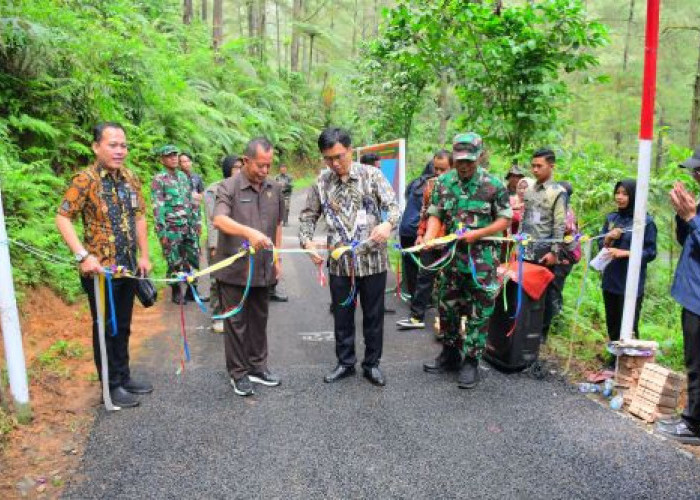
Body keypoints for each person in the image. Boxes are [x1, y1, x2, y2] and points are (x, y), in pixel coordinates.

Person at [55, 122, 152, 409]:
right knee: (105, 328)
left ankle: (124, 376)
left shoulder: (130, 178)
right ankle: (110, 386)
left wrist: (144, 256)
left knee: (123, 325)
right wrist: (83, 256)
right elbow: (63, 217)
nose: (119, 150)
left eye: (123, 145)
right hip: (100, 274)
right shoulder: (85, 180)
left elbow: (140, 218)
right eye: (112, 145)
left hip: (128, 268)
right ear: (96, 147)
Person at [300, 127, 400, 387]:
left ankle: (372, 364)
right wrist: (307, 241)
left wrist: (388, 225)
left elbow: (393, 208)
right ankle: (345, 363)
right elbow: (308, 216)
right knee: (342, 316)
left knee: (373, 316)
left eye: (340, 156)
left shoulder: (372, 176)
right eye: (328, 158)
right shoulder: (322, 182)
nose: (335, 163)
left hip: (373, 261)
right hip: (340, 264)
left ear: (351, 151)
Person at [422, 132, 511, 389]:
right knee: (447, 307)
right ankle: (450, 353)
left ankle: (471, 361)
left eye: (469, 161)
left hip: (482, 261)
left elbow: (504, 219)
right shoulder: (444, 183)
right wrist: (429, 237)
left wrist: (478, 234)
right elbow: (436, 213)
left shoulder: (494, 185)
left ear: (479, 156)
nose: (464, 166)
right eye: (460, 160)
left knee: (479, 312)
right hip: (451, 260)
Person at [212, 137, 284, 397]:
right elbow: (219, 219)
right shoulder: (228, 187)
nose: (265, 171)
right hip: (235, 271)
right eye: (260, 166)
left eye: (269, 166)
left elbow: (277, 226)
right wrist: (248, 232)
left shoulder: (274, 189)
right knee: (237, 322)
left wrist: (277, 259)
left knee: (259, 320)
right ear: (245, 161)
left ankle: (257, 367)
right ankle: (239, 373)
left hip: (263, 269)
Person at [657, 147, 700, 444]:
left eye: (699, 170)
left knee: (697, 364)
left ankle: (694, 425)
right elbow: (686, 241)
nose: (695, 174)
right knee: (693, 361)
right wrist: (683, 217)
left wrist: (693, 218)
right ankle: (691, 417)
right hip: (692, 294)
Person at [598, 179, 657, 349]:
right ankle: (614, 358)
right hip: (610, 279)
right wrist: (608, 238)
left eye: (625, 194)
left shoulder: (645, 222)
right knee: (613, 321)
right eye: (617, 193)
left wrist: (625, 253)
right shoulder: (611, 218)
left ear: (634, 196)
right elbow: (601, 246)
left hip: (630, 282)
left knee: (629, 324)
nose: (620, 197)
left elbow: (651, 252)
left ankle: (631, 362)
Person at [396, 150, 451, 330]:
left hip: (451, 243)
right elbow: (424, 212)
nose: (438, 173)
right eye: (436, 168)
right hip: (430, 240)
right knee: (424, 276)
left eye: (443, 169)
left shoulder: (460, 188)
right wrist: (420, 234)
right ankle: (416, 316)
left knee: (451, 281)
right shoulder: (430, 185)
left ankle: (451, 322)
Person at [521, 148, 567, 341]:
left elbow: (559, 224)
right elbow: (526, 217)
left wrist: (554, 252)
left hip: (545, 252)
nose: (535, 170)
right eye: (533, 166)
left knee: (545, 293)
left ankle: (541, 332)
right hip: (527, 248)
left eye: (539, 166)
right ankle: (525, 326)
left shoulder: (557, 192)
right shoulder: (530, 190)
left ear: (551, 166)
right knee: (526, 288)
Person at [151, 145, 202, 304]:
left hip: (188, 226)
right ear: (162, 159)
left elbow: (192, 200)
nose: (173, 158)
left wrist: (197, 221)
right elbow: (158, 207)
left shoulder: (183, 177)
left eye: (175, 155)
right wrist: (162, 233)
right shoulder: (159, 179)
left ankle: (191, 291)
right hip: (172, 229)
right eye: (169, 156)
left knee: (192, 258)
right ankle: (176, 291)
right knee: (174, 261)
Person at [204, 155, 240, 333]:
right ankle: (218, 316)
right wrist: (213, 245)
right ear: (227, 169)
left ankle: (234, 314)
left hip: (239, 242)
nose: (239, 170)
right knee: (217, 280)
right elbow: (212, 220)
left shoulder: (245, 188)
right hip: (219, 241)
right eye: (235, 167)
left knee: (238, 279)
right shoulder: (214, 190)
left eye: (241, 166)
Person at [398, 160, 435, 298]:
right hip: (418, 230)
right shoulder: (432, 185)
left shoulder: (415, 183)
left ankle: (414, 297)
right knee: (426, 266)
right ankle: (423, 300)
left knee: (411, 266)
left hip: (405, 228)